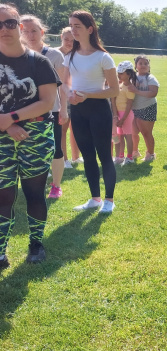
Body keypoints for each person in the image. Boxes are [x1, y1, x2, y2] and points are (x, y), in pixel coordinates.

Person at [0, 3, 61, 268]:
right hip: (1, 136)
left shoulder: (39, 62)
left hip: (35, 135)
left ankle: (36, 243)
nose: (4, 29)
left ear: (20, 26)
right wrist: (6, 126)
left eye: (9, 23)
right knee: (3, 195)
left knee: (34, 192)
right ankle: (0, 252)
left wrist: (12, 118)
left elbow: (48, 101)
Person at [63, 10, 118, 214]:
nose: (73, 30)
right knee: (87, 155)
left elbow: (114, 90)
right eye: (71, 25)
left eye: (77, 26)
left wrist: (86, 95)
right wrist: (70, 94)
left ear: (89, 29)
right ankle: (95, 198)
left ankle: (109, 200)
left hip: (98, 111)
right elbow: (65, 84)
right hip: (78, 111)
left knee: (104, 155)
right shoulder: (70, 56)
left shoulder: (103, 57)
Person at [20, 14, 68, 199]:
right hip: (23, 111)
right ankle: (29, 184)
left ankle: (56, 186)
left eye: (34, 31)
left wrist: (64, 109)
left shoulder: (54, 55)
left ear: (42, 32)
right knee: (25, 148)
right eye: (25, 31)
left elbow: (63, 85)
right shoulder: (15, 54)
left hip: (51, 110)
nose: (30, 35)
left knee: (55, 149)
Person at [128, 55, 158, 162]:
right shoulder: (132, 77)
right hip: (134, 109)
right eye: (140, 63)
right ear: (136, 66)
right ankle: (134, 152)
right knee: (132, 132)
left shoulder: (150, 78)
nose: (143, 65)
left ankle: (150, 154)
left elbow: (153, 93)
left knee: (146, 132)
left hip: (147, 108)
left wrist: (137, 91)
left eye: (146, 63)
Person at [58, 26, 80, 167]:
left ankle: (75, 157)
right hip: (60, 97)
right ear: (61, 38)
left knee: (76, 127)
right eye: (66, 39)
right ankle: (64, 159)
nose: (69, 42)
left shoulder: (77, 54)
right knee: (62, 129)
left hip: (75, 95)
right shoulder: (56, 54)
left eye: (72, 40)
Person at [112, 60, 136, 165]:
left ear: (129, 74)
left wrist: (123, 119)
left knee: (128, 136)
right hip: (118, 114)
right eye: (118, 73)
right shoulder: (120, 85)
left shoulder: (130, 88)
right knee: (120, 136)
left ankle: (129, 157)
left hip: (126, 115)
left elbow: (129, 105)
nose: (119, 75)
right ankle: (120, 156)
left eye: (121, 73)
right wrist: (116, 116)